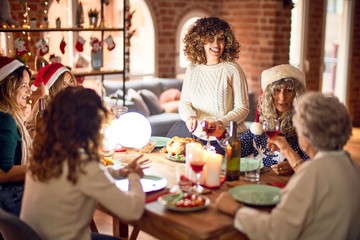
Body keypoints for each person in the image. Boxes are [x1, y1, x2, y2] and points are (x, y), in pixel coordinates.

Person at [215, 92, 360, 239]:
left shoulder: (312, 174)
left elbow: (275, 232)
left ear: (306, 135)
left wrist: (236, 210)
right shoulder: (353, 167)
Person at [20, 87, 146, 240]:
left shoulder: (44, 154)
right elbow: (133, 210)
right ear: (90, 125)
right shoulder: (82, 164)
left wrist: (119, 173)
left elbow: (84, 177)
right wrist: (134, 176)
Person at [211, 64, 309, 175]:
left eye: (289, 90)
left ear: (296, 94)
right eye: (277, 90)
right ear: (269, 94)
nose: (282, 97)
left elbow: (314, 165)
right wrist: (221, 134)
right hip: (263, 184)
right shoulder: (261, 125)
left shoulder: (305, 126)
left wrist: (293, 166)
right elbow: (239, 153)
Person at [178, 17, 249, 154]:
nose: (216, 44)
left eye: (221, 39)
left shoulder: (232, 69)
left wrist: (220, 123)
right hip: (198, 139)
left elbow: (243, 108)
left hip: (227, 140)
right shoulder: (192, 69)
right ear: (200, 42)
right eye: (211, 39)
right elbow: (184, 102)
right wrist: (189, 116)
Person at [0, 56, 32, 216]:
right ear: (9, 87)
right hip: (12, 201)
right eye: (24, 86)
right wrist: (41, 167)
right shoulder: (6, 119)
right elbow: (2, 173)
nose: (29, 91)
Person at [26, 62, 75, 137]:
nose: (70, 86)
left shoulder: (77, 101)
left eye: (71, 81)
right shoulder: (44, 102)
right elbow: (29, 128)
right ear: (55, 87)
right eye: (64, 84)